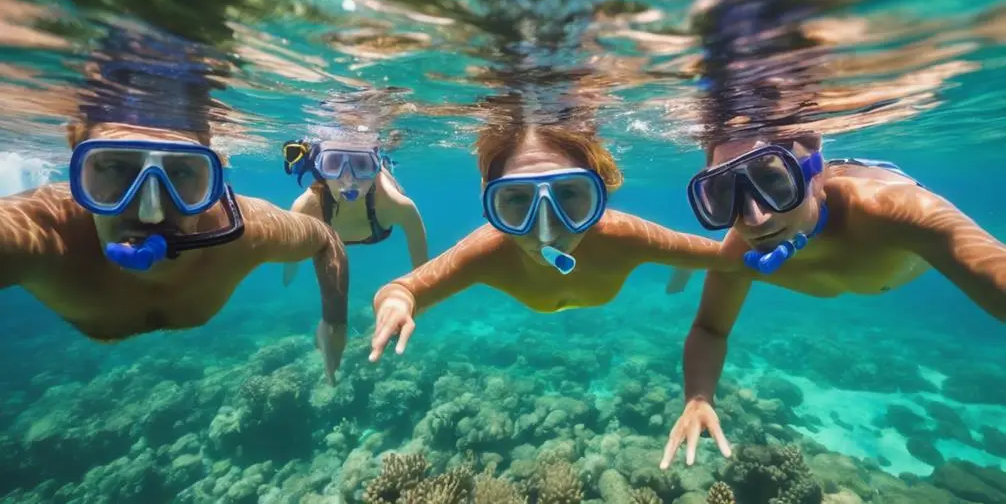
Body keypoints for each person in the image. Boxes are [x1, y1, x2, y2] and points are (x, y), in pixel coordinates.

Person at [0, 29, 352, 386]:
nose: (149, 213)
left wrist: (334, 323)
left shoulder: (248, 231)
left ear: (214, 170)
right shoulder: (39, 234)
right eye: (117, 167)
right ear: (76, 155)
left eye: (182, 171)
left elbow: (327, 241)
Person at [660, 132, 1006, 469]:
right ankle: (697, 249)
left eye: (774, 181)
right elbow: (710, 328)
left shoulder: (893, 211)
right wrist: (698, 397)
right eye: (723, 194)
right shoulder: (738, 250)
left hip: (870, 178)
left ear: (816, 170)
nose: (754, 218)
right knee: (721, 255)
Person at [367, 120, 741, 361]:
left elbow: (724, 256)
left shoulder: (621, 235)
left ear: (600, 195)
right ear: (489, 203)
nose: (546, 230)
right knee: (678, 251)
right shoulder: (487, 251)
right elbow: (403, 289)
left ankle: (680, 266)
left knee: (683, 250)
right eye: (515, 200)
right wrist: (397, 302)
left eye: (568, 195)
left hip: (650, 246)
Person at [279, 130, 428, 285]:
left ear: (374, 168)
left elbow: (419, 256)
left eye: (362, 164)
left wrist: (421, 287)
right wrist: (286, 282)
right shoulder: (305, 207)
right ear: (319, 168)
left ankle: (380, 161)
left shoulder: (394, 202)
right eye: (334, 163)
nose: (348, 179)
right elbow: (290, 262)